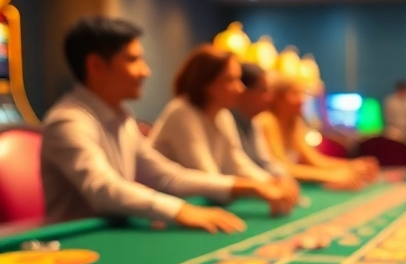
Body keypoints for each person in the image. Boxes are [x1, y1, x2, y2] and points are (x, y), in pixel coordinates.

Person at [40, 16, 247, 233]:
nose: (145, 71)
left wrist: (244, 185)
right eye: (133, 60)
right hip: (76, 242)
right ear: (96, 66)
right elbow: (102, 188)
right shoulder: (67, 121)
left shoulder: (124, 119)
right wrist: (178, 210)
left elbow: (168, 176)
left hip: (114, 233)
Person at [146, 46, 295, 215]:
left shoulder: (222, 114)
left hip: (190, 206)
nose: (240, 88)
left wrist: (272, 182)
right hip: (160, 209)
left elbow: (237, 162)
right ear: (206, 84)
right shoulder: (181, 112)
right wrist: (256, 187)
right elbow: (207, 175)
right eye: (230, 80)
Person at [256, 74, 378, 189]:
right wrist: (332, 176)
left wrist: (352, 166)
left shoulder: (294, 122)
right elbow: (281, 168)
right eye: (294, 93)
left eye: (302, 93)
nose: (301, 99)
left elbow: (314, 160)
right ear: (277, 98)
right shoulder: (267, 121)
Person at [232, 62, 298, 191]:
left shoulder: (253, 121)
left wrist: (283, 178)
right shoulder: (265, 120)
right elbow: (238, 165)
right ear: (244, 92)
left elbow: (265, 161)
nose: (269, 98)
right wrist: (273, 182)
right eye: (264, 91)